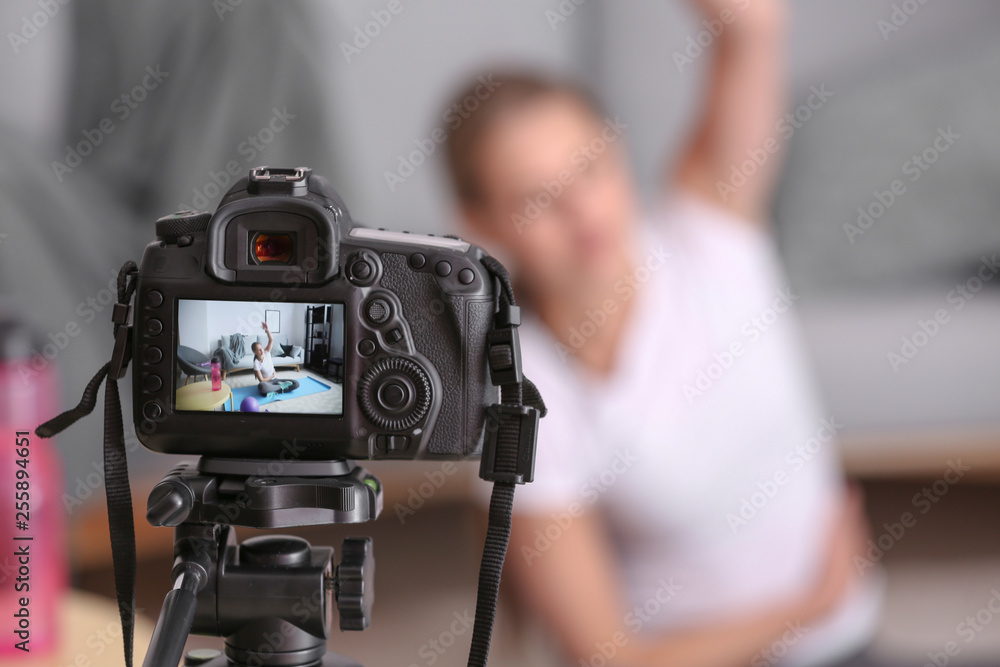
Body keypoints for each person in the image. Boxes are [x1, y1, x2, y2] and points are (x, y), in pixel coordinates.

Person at [444, 1, 884, 666]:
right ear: (482, 222)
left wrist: (740, 22)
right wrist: (803, 608)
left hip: (849, 642)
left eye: (589, 169)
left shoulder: (710, 227)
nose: (582, 212)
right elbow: (608, 655)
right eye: (538, 198)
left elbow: (753, 30)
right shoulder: (523, 399)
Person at [253, 322, 300, 398]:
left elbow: (271, 339)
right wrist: (272, 376)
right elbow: (262, 380)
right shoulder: (256, 363)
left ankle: (275, 390)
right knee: (261, 387)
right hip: (267, 383)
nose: (261, 351)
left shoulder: (266, 352)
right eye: (258, 350)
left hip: (276, 380)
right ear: (254, 352)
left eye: (261, 348)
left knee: (296, 383)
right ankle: (281, 388)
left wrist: (267, 330)